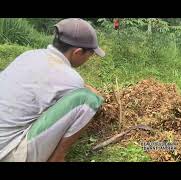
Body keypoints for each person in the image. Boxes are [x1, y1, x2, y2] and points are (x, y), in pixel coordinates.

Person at [0, 18, 105, 162]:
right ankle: (57, 159)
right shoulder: (71, 79)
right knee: (88, 100)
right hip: (10, 151)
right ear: (78, 52)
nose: (90, 57)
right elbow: (87, 93)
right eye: (90, 54)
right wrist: (93, 94)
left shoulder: (29, 55)